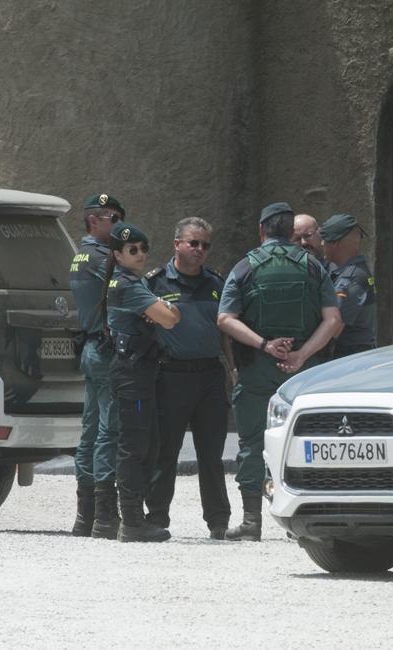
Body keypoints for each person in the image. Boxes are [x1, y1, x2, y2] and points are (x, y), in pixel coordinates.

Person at [217, 202, 342, 541]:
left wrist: (264, 345)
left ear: (261, 230)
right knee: (305, 441)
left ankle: (251, 521)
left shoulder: (244, 267)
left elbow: (225, 319)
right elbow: (333, 320)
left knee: (252, 442)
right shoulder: (314, 267)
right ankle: (303, 523)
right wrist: (301, 355)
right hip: (304, 373)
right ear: (291, 232)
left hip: (257, 369)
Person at [144, 217, 234, 539]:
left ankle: (218, 521)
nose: (199, 250)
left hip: (209, 377)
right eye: (193, 243)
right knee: (165, 451)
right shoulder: (156, 283)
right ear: (177, 244)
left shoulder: (216, 284)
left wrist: (233, 370)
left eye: (205, 245)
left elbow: (225, 332)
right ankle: (156, 517)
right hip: (171, 376)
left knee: (211, 454)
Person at [103, 221, 181, 542]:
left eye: (143, 249)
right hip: (132, 373)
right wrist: (164, 308)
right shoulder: (128, 285)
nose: (140, 254)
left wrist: (160, 308)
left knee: (146, 444)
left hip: (138, 372)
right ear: (118, 255)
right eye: (132, 250)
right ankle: (132, 521)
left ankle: (134, 518)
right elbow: (171, 319)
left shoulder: (132, 283)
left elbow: (165, 314)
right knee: (134, 446)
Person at [68, 193, 126, 538]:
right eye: (112, 218)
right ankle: (104, 515)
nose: (119, 225)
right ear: (93, 220)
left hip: (92, 347)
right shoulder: (101, 258)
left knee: (90, 430)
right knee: (108, 430)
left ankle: (85, 516)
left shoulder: (80, 255)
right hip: (105, 350)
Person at [320, 214, 377, 358]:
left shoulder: (352, 277)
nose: (321, 244)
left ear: (335, 243)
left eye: (324, 239)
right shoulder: (354, 271)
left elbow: (334, 326)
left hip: (350, 357)